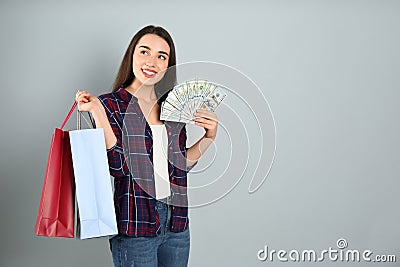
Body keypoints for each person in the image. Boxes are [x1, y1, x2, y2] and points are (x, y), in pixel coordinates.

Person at [75, 25, 218, 267]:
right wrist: (98, 110)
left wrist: (208, 138)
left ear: (168, 65)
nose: (151, 62)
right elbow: (118, 167)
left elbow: (180, 167)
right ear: (132, 55)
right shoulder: (110, 105)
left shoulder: (172, 107)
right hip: (135, 225)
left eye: (161, 56)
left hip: (177, 224)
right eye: (144, 52)